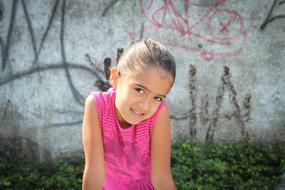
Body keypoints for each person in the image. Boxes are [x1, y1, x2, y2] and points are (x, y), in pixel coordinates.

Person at [82, 38, 177, 190]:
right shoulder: (96, 105)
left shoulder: (159, 112)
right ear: (115, 78)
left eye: (157, 98)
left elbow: (161, 177)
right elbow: (94, 171)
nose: (145, 106)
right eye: (139, 89)